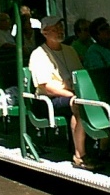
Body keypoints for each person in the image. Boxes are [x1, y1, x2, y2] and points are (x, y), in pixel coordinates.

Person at [28, 16, 102, 171]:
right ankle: (79, 156)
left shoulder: (70, 50)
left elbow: (80, 75)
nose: (60, 31)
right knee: (77, 104)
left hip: (71, 92)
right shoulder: (38, 54)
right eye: (55, 29)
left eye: (61, 28)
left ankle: (103, 148)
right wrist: (72, 94)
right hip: (48, 100)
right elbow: (47, 87)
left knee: (97, 99)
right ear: (45, 32)